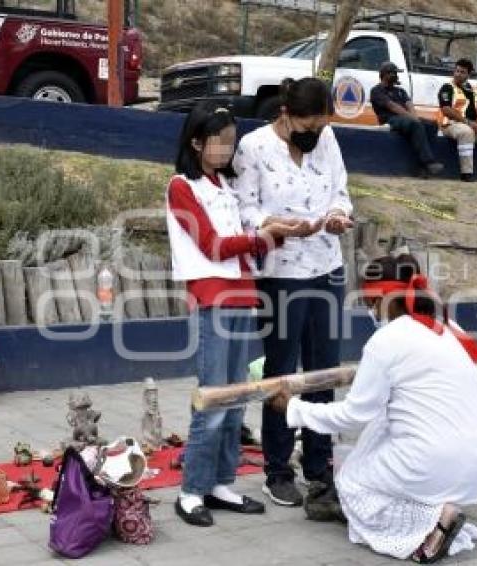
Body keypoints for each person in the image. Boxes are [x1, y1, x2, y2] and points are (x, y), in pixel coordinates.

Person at [268, 254, 477, 563]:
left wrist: (294, 408)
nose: (369, 309)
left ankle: (430, 526)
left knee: (351, 483)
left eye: (369, 301)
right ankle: (436, 506)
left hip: (438, 458)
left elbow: (353, 415)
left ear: (384, 299)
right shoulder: (445, 325)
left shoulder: (387, 340)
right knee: (385, 424)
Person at [168, 102, 306, 526]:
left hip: (242, 295)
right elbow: (211, 245)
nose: (228, 149)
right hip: (212, 297)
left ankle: (220, 482)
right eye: (219, 141)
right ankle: (192, 489)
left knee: (236, 397)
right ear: (196, 142)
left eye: (231, 140)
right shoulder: (182, 186)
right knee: (213, 396)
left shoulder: (224, 186)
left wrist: (281, 234)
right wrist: (259, 237)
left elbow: (243, 247)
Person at [231, 77, 355, 507]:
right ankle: (277, 468)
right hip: (280, 270)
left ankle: (319, 466)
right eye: (309, 123)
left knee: (324, 370)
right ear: (287, 112)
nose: (314, 131)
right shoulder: (253, 146)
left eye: (321, 124)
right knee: (282, 371)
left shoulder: (328, 137)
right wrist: (273, 224)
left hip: (327, 266)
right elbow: (243, 207)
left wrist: (337, 215)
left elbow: (340, 189)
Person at [370, 62, 444, 178]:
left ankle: (422, 167)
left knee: (431, 125)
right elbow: (393, 107)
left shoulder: (400, 91)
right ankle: (429, 162)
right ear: (385, 74)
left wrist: (415, 118)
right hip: (390, 119)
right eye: (394, 73)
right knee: (415, 124)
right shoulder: (377, 90)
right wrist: (413, 119)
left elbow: (409, 105)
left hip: (406, 119)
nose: (396, 76)